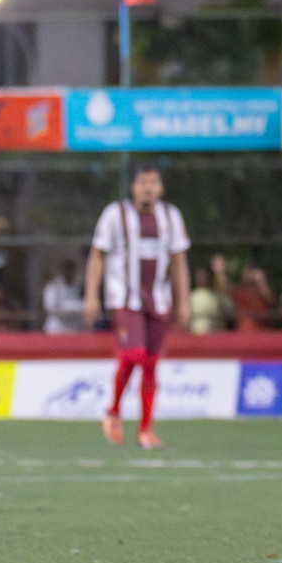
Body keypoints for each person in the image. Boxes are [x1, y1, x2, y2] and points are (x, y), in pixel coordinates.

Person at [83, 164, 191, 449]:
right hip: (124, 298)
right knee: (134, 354)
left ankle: (145, 430)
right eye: (142, 182)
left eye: (153, 182)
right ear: (132, 187)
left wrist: (184, 301)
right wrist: (91, 295)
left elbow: (179, 261)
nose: (147, 188)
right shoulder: (114, 214)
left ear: (161, 188)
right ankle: (114, 411)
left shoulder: (171, 216)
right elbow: (97, 255)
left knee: (152, 364)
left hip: (158, 299)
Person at [42, 260, 84, 334]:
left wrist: (63, 306)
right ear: (62, 270)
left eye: (71, 270)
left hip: (73, 329)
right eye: (66, 269)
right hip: (56, 328)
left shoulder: (77, 287)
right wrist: (74, 307)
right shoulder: (53, 286)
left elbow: (84, 307)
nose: (68, 272)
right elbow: (50, 307)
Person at [188, 261, 229, 335]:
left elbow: (230, 314)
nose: (202, 278)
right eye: (200, 276)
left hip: (217, 336)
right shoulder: (191, 296)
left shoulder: (220, 296)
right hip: (196, 337)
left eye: (205, 275)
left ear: (211, 277)